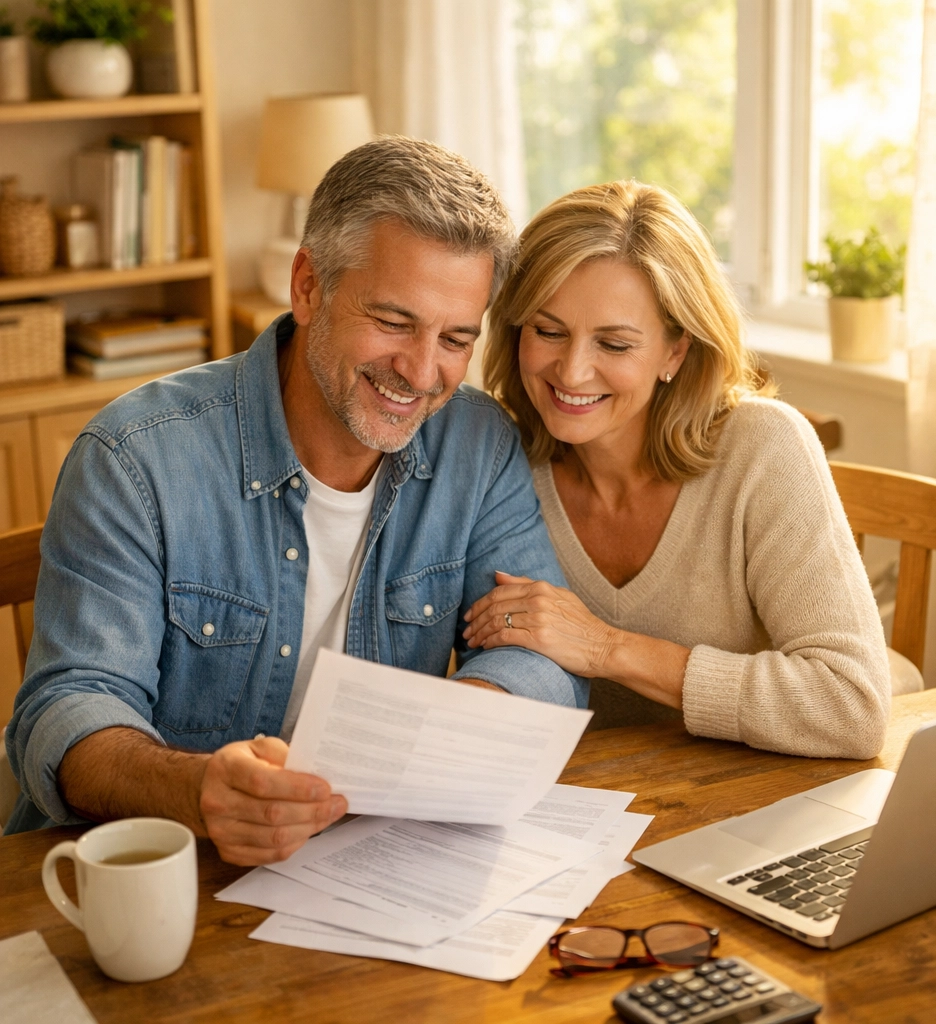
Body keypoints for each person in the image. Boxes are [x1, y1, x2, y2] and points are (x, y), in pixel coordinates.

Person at [5, 136, 588, 862]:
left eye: (456, 338)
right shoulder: (136, 458)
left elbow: (545, 662)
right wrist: (196, 791)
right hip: (146, 870)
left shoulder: (478, 446)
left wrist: (461, 722)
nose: (421, 370)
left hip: (353, 864)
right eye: (395, 322)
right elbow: (68, 710)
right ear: (308, 287)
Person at [463, 180, 890, 759]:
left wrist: (605, 647)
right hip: (590, 807)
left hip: (751, 800)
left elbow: (851, 707)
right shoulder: (496, 465)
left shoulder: (763, 448)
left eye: (614, 344)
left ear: (675, 351)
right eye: (548, 331)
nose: (572, 370)